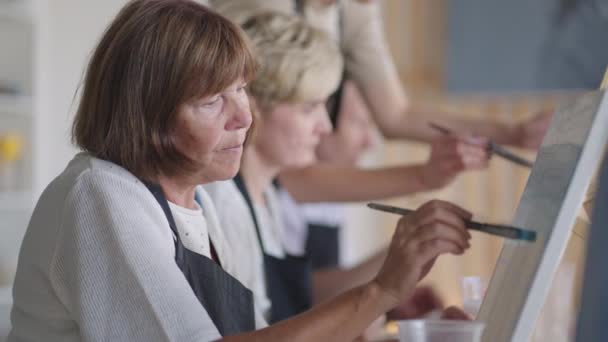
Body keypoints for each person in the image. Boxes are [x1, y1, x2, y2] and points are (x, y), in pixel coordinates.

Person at [8, 1, 472, 341]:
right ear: (144, 115)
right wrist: (380, 291)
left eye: (242, 91)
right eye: (212, 101)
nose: (245, 118)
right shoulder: (101, 195)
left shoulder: (204, 202)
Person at [204, 10, 478, 325]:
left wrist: (405, 252)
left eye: (326, 107)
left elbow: (306, 296)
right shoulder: (225, 205)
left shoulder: (267, 197)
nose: (323, 126)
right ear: (254, 107)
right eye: (309, 109)